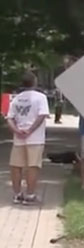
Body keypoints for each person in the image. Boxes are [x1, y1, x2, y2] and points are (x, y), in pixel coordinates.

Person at [6, 72, 50, 205]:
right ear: (35, 82)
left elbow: (9, 118)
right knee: (32, 166)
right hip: (35, 138)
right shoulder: (41, 97)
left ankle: (17, 194)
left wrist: (16, 130)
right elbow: (42, 115)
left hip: (18, 138)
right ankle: (30, 195)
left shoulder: (16, 99)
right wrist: (30, 130)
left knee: (16, 166)